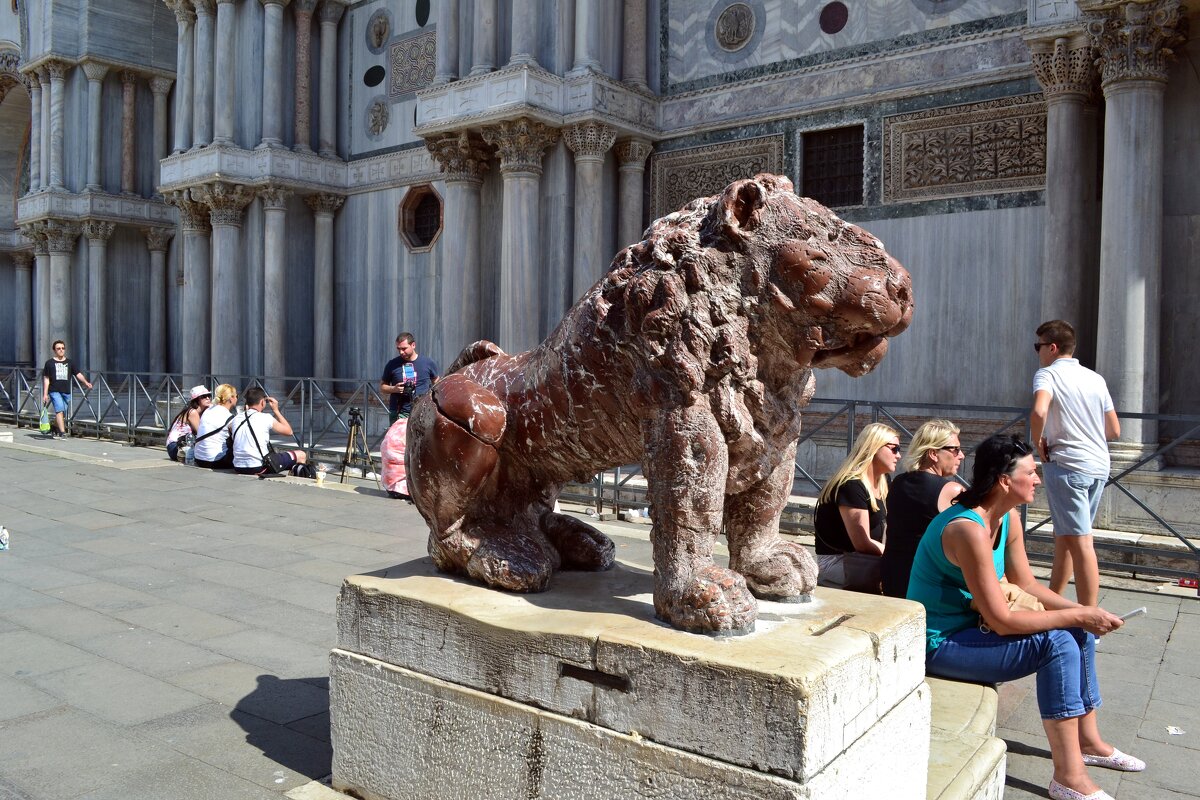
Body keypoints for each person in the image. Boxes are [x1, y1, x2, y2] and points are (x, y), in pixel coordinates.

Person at [909, 434, 1143, 800]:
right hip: (939, 644)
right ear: (1004, 479)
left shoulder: (1007, 518)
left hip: (973, 631)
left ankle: (1089, 741)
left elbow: (1027, 584)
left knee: (1077, 632)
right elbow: (1001, 620)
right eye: (1031, 472)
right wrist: (1076, 615)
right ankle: (1068, 777)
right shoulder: (967, 529)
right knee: (1057, 641)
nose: (1037, 479)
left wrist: (1085, 613)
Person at [1030, 320, 1120, 607]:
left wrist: (1038, 440)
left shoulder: (1047, 375)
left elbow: (1039, 409)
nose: (1037, 353)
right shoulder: (1096, 378)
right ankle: (1051, 604)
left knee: (1080, 543)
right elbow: (1114, 430)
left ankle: (1090, 621)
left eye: (1038, 346)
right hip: (1097, 465)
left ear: (1052, 348)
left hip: (1068, 464)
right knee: (1066, 539)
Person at [881, 419, 965, 597]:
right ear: (934, 454)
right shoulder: (952, 490)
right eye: (955, 449)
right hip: (930, 583)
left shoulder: (898, 482)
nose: (961, 455)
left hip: (893, 577)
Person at [813, 422, 901, 592]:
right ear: (874, 447)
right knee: (901, 572)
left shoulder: (883, 481)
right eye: (894, 449)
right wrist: (895, 555)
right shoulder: (851, 485)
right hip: (838, 561)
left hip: (865, 558)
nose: (899, 455)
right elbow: (862, 543)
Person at [229, 386, 307, 475]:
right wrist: (276, 410)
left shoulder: (236, 419)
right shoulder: (266, 418)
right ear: (262, 402)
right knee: (301, 455)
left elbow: (232, 430)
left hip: (238, 467)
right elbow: (289, 432)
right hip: (258, 467)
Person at [380, 332, 439, 424]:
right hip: (398, 412)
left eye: (404, 349)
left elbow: (437, 383)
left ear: (413, 345)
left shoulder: (428, 362)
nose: (401, 352)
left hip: (423, 411)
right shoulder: (392, 364)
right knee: (398, 439)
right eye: (398, 349)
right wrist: (394, 389)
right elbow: (382, 387)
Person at [41, 340, 93, 439]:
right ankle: (62, 432)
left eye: (63, 348)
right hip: (54, 390)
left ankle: (55, 426)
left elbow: (78, 374)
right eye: (58, 348)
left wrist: (86, 383)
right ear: (54, 350)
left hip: (66, 391)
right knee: (59, 410)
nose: (61, 350)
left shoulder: (70, 362)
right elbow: (46, 379)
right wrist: (45, 394)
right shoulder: (49, 363)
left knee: (62, 412)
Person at [194, 383, 238, 469]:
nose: (237, 398)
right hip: (217, 461)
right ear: (231, 398)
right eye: (236, 396)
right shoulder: (229, 417)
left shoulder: (207, 411)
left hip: (199, 459)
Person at [166, 385, 213, 461]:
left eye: (209, 396)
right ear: (197, 400)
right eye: (204, 396)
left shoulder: (201, 412)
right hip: (176, 446)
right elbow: (201, 433)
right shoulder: (192, 412)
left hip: (182, 444)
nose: (208, 398)